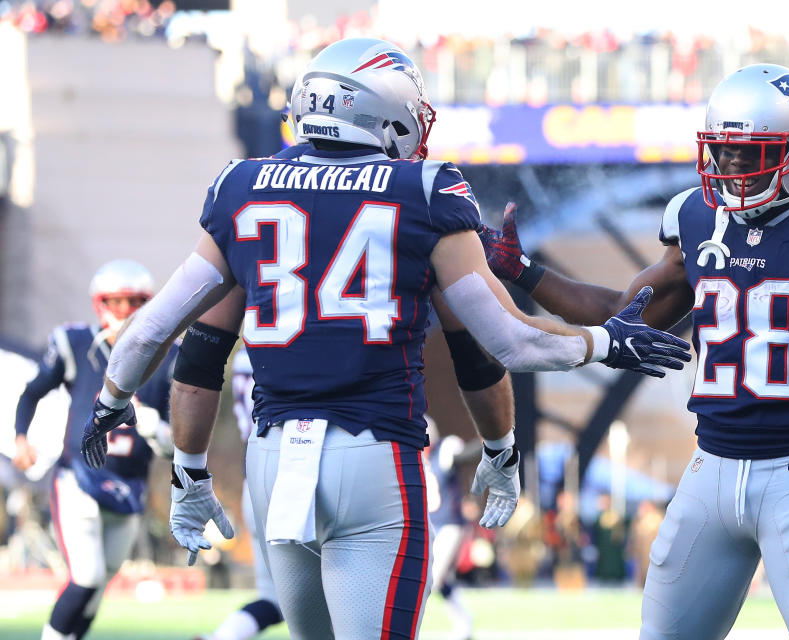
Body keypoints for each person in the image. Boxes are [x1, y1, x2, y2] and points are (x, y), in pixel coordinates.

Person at [76, 38, 691, 640]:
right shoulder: (423, 191)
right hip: (375, 459)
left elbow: (157, 328)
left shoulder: (241, 186)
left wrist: (118, 412)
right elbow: (505, 343)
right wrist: (604, 344)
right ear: (384, 113)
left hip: (274, 464)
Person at [479, 63, 789, 639]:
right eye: (724, 152)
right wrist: (525, 272)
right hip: (709, 471)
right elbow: (623, 314)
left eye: (754, 153)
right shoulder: (697, 218)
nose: (734, 168)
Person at [12, 259, 176, 640]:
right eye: (116, 301)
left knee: (99, 586)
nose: (124, 311)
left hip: (128, 484)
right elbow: (32, 392)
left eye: (133, 301)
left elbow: (175, 440)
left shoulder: (169, 356)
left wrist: (153, 426)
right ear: (100, 303)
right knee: (84, 578)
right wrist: (22, 436)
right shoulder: (76, 343)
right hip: (79, 480)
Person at [192, 348, 282, 640]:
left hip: (253, 485)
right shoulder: (291, 341)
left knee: (274, 598)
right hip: (293, 477)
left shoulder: (245, 354)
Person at [422, 417, 474, 640]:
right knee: (441, 581)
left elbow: (462, 456)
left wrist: (488, 442)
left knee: (431, 580)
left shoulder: (444, 449)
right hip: (428, 525)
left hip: (449, 524)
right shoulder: (414, 458)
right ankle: (465, 626)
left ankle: (408, 630)